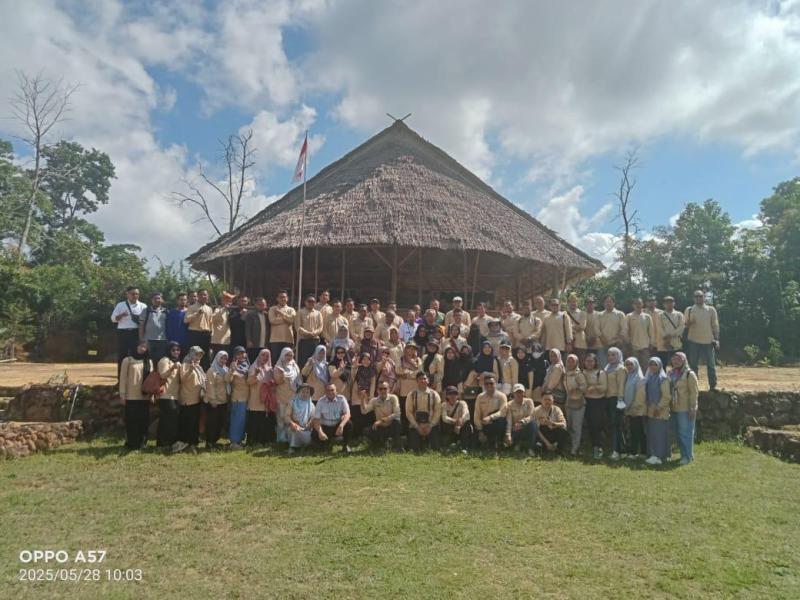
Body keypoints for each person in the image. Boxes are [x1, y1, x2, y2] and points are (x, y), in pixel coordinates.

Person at [119, 339, 152, 450]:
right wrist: (122, 394)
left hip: (144, 396)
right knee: (132, 420)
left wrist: (151, 395)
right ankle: (132, 443)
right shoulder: (127, 360)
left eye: (145, 347)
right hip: (131, 396)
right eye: (141, 346)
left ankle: (142, 442)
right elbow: (123, 378)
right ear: (136, 346)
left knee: (143, 420)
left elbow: (151, 380)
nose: (143, 349)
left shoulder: (149, 361)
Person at [684, 290, 720, 391]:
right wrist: (690, 323)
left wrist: (717, 339)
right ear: (693, 298)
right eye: (696, 296)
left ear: (704, 297)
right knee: (693, 366)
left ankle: (713, 386)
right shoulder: (689, 310)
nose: (698, 298)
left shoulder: (711, 310)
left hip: (708, 341)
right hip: (693, 340)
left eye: (700, 296)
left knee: (711, 365)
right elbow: (685, 326)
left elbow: (715, 325)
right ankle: (694, 387)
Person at [669, 352, 699, 465]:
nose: (676, 361)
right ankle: (684, 454)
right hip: (674, 407)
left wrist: (693, 408)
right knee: (678, 433)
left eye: (679, 359)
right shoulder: (671, 373)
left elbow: (694, 393)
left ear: (684, 361)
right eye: (674, 359)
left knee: (685, 432)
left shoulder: (689, 374)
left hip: (685, 408)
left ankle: (687, 456)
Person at [111, 286, 147, 378]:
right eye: (133, 294)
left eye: (137, 294)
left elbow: (146, 321)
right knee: (122, 356)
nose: (135, 296)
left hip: (136, 333)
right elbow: (113, 319)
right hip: (123, 333)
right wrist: (122, 315)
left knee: (137, 355)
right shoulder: (120, 305)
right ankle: (121, 380)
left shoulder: (143, 306)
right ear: (127, 294)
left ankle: (137, 380)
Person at [176, 346, 206, 453]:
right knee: (186, 422)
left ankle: (193, 442)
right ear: (191, 354)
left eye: (200, 355)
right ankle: (185, 443)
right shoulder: (185, 364)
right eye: (196, 354)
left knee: (194, 422)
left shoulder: (199, 367)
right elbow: (182, 379)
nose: (198, 357)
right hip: (187, 399)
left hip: (196, 399)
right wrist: (190, 370)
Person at [644, 357, 671, 465]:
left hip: (660, 410)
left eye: (655, 365)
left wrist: (658, 408)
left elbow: (666, 396)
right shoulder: (650, 378)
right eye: (651, 365)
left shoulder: (663, 379)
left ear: (660, 366)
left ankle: (660, 456)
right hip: (651, 409)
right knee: (652, 433)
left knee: (660, 433)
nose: (653, 367)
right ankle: (653, 454)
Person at [406, 372, 442, 452]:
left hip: (431, 425)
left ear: (428, 380)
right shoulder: (411, 394)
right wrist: (417, 426)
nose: (423, 381)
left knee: (435, 448)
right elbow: (408, 412)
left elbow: (437, 412)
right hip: (416, 425)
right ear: (417, 381)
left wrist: (430, 425)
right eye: (420, 379)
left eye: (425, 379)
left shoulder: (434, 394)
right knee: (414, 449)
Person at [312, 382, 353, 452]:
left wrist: (341, 426)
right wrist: (320, 432)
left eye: (332, 390)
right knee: (314, 433)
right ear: (325, 392)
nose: (330, 392)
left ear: (336, 391)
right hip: (325, 427)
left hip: (337, 427)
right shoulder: (320, 401)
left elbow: (348, 414)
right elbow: (316, 420)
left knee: (349, 424)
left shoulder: (342, 399)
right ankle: (324, 445)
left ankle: (346, 446)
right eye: (328, 390)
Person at [156, 341, 182, 450]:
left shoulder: (177, 362)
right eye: (173, 350)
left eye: (178, 350)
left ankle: (166, 443)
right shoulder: (164, 360)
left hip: (174, 395)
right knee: (167, 420)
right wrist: (172, 368)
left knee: (169, 420)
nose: (176, 352)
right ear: (168, 350)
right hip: (165, 395)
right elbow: (162, 375)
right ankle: (164, 444)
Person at [362, 381, 403, 451]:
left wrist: (381, 420)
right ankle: (380, 444)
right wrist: (362, 399)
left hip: (391, 425)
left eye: (385, 388)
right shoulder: (374, 400)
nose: (383, 391)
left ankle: (397, 446)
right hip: (381, 427)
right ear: (377, 390)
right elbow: (364, 411)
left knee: (397, 422)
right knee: (366, 431)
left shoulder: (393, 398)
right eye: (380, 389)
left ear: (389, 389)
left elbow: (397, 413)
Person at [246, 349, 274, 447]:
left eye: (267, 356)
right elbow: (249, 382)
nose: (265, 358)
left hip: (265, 400)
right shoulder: (253, 368)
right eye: (263, 355)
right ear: (259, 356)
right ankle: (252, 442)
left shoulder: (270, 369)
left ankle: (261, 441)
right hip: (255, 399)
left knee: (263, 422)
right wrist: (255, 374)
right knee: (254, 421)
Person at [583, 353, 608, 459]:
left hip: (598, 402)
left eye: (591, 361)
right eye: (587, 361)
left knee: (596, 425)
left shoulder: (600, 373)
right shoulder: (582, 372)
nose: (589, 363)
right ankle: (593, 446)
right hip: (585, 401)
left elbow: (604, 387)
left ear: (595, 362)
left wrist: (593, 388)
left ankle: (598, 447)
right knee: (589, 424)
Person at [604, 347, 627, 460]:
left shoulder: (620, 368)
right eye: (608, 355)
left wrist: (620, 400)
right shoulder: (607, 367)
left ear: (618, 356)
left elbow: (621, 385)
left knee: (616, 426)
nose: (610, 357)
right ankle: (620, 449)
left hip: (616, 399)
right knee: (613, 425)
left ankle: (616, 451)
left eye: (613, 355)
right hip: (607, 398)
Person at [273, 347, 300, 444]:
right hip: (281, 396)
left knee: (291, 418)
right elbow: (277, 381)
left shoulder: (294, 366)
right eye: (287, 355)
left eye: (291, 355)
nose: (289, 357)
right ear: (283, 355)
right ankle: (281, 439)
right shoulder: (278, 367)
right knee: (281, 418)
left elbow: (298, 380)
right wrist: (282, 375)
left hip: (293, 396)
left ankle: (291, 438)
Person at [204, 350, 229, 450]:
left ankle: (214, 441)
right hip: (213, 402)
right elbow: (210, 386)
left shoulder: (226, 370)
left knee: (219, 423)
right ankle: (209, 442)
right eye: (222, 358)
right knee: (212, 423)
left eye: (225, 358)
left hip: (223, 401)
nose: (223, 360)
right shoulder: (212, 370)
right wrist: (213, 400)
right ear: (217, 358)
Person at [473, 375, 508, 449]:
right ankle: (487, 441)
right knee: (473, 443)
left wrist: (491, 417)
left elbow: (503, 412)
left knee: (501, 419)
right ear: (484, 385)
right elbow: (477, 415)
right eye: (486, 384)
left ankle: (498, 442)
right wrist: (480, 430)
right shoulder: (480, 397)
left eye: (491, 383)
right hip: (484, 424)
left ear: (495, 384)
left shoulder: (502, 396)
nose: (489, 385)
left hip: (496, 422)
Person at [502, 384, 537, 455]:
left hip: (526, 427)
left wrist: (522, 422)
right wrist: (508, 434)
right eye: (517, 392)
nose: (519, 394)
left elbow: (531, 416)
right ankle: (516, 444)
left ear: (524, 393)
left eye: (521, 392)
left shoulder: (529, 401)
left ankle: (530, 448)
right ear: (513, 394)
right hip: (515, 430)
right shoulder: (509, 404)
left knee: (533, 424)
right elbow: (509, 421)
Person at [622, 357, 647, 458]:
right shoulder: (628, 376)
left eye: (631, 364)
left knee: (637, 430)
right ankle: (642, 452)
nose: (629, 366)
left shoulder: (639, 378)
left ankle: (635, 452)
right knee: (636, 430)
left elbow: (640, 396)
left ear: (636, 365)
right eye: (627, 364)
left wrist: (634, 407)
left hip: (636, 409)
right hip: (629, 408)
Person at [564, 353, 587, 456]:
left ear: (576, 362)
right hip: (569, 403)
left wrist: (576, 389)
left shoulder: (579, 374)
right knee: (569, 426)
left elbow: (584, 387)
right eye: (568, 360)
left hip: (579, 404)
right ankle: (569, 446)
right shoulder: (565, 374)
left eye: (572, 361)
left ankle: (575, 448)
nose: (570, 362)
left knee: (576, 427)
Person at [184, 289, 213, 370]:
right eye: (202, 295)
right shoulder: (192, 307)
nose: (204, 296)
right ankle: (191, 374)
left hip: (206, 335)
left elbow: (211, 323)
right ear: (198, 296)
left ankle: (204, 376)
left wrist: (211, 334)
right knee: (193, 355)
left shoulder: (209, 309)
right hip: (194, 334)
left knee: (205, 356)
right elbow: (186, 320)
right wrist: (196, 314)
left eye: (205, 295)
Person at [396, 342, 422, 433]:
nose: (411, 350)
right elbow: (398, 370)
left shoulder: (418, 360)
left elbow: (419, 372)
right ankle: (404, 431)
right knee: (404, 411)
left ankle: (414, 430)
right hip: (403, 389)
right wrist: (412, 373)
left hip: (415, 388)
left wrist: (407, 374)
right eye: (409, 348)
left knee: (414, 410)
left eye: (413, 348)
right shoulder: (401, 359)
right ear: (405, 349)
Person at [228, 346, 250, 449]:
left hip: (246, 397)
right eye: (239, 353)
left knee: (242, 420)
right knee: (237, 420)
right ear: (235, 355)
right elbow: (228, 380)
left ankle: (239, 441)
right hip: (237, 397)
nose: (241, 355)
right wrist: (232, 370)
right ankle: (234, 442)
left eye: (243, 353)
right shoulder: (233, 365)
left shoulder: (247, 366)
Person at [351, 352, 377, 434]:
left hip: (367, 395)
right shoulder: (357, 369)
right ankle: (356, 435)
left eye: (368, 359)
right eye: (364, 359)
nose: (366, 361)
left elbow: (373, 384)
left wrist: (371, 397)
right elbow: (352, 378)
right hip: (356, 394)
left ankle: (365, 434)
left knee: (367, 415)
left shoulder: (372, 371)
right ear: (361, 360)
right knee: (357, 415)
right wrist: (354, 368)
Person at [139, 291, 168, 366]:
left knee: (160, 362)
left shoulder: (166, 311)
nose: (157, 300)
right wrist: (142, 340)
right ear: (151, 300)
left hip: (162, 340)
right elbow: (141, 326)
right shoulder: (146, 311)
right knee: (148, 363)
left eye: (159, 298)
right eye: (155, 298)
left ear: (162, 300)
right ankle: (148, 377)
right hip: (148, 341)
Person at [596, 296, 626, 368]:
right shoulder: (599, 315)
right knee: (603, 366)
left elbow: (624, 328)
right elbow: (596, 328)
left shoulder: (620, 314)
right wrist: (601, 337)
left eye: (610, 301)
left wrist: (620, 339)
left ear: (614, 303)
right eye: (606, 302)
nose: (608, 303)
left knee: (617, 366)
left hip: (616, 344)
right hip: (602, 344)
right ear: (604, 304)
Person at [286, 383, 316, 454]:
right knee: (295, 430)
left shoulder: (312, 405)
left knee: (309, 435)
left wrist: (308, 426)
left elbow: (313, 418)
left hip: (306, 429)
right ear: (298, 392)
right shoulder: (292, 403)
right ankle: (292, 447)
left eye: (307, 392)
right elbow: (286, 416)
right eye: (303, 392)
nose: (305, 394)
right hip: (294, 428)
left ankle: (304, 446)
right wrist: (292, 423)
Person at [440, 385, 472, 451]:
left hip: (461, 426)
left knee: (467, 423)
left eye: (455, 393)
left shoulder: (462, 403)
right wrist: (454, 421)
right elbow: (444, 418)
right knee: (444, 423)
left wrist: (461, 420)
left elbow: (466, 413)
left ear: (457, 395)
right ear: (447, 396)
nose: (452, 396)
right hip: (451, 427)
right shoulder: (444, 405)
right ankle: (450, 443)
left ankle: (464, 447)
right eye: (450, 393)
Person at [295, 294, 323, 366]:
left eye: (313, 301)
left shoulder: (318, 313)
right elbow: (298, 327)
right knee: (303, 362)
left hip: (315, 341)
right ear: (305, 302)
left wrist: (314, 333)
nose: (311, 303)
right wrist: (308, 333)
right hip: (304, 341)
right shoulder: (300, 312)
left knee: (315, 361)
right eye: (309, 301)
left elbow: (320, 327)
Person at [626, 297, 654, 367]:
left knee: (646, 366)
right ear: (633, 305)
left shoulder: (647, 316)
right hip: (633, 346)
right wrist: (628, 343)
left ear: (642, 304)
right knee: (634, 366)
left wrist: (651, 343)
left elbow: (651, 331)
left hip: (645, 346)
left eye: (639, 303)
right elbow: (626, 330)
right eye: (636, 304)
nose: (638, 305)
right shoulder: (629, 316)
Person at [268, 290, 296, 360]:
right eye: (280, 297)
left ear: (287, 298)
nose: (282, 299)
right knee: (275, 360)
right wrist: (286, 319)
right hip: (275, 340)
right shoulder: (273, 309)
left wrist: (281, 314)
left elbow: (292, 320)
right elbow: (272, 321)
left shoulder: (291, 309)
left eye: (284, 297)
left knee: (287, 360)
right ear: (277, 299)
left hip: (288, 339)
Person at [658, 296, 685, 366]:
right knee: (663, 364)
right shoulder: (660, 315)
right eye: (667, 303)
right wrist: (665, 337)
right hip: (664, 344)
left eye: (671, 302)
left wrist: (671, 335)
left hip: (676, 343)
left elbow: (681, 327)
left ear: (674, 303)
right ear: (664, 304)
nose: (669, 304)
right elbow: (659, 327)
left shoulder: (679, 314)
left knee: (677, 364)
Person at [244, 296, 270, 364]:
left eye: (263, 305)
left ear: (266, 306)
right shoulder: (251, 315)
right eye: (259, 304)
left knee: (262, 362)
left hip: (264, 343)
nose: (261, 306)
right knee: (253, 361)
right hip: (254, 343)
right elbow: (248, 329)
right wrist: (248, 340)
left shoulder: (267, 315)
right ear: (255, 305)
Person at [210, 292, 233, 362]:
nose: (228, 303)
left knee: (225, 360)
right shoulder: (217, 309)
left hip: (227, 340)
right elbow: (213, 318)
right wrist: (223, 309)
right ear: (222, 301)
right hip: (218, 341)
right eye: (226, 300)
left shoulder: (230, 311)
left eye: (230, 301)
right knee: (217, 360)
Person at [165, 292, 189, 358]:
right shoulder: (171, 312)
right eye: (181, 300)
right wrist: (169, 340)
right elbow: (168, 327)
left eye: (185, 300)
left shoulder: (189, 312)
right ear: (177, 300)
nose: (183, 301)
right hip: (174, 342)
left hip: (186, 342)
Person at [565, 294, 587, 366]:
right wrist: (574, 327)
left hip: (580, 343)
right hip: (568, 343)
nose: (573, 303)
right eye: (571, 302)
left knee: (580, 365)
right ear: (568, 303)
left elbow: (582, 327)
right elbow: (563, 328)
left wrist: (569, 327)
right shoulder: (564, 314)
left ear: (577, 303)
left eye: (574, 301)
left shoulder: (582, 313)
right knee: (569, 365)